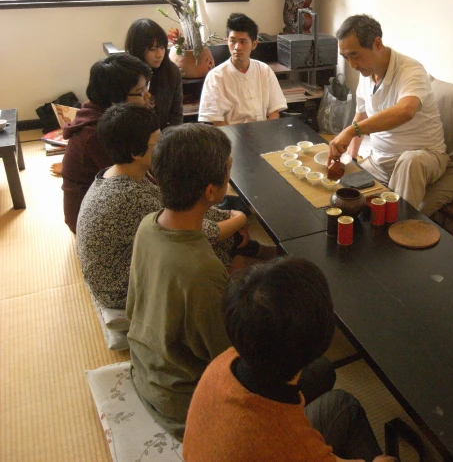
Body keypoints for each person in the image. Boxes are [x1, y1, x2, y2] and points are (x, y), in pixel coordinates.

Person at [127, 123, 334, 440]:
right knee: (321, 370)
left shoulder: (148, 225)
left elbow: (135, 305)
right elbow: (235, 358)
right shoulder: (201, 269)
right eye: (227, 173)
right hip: (185, 401)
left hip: (147, 369)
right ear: (211, 192)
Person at [183, 258, 395, 462]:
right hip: (268, 441)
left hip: (229, 440)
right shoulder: (294, 446)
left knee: (323, 370)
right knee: (345, 405)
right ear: (322, 339)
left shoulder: (226, 360)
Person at [76, 103, 263, 309]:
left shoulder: (126, 173)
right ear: (135, 153)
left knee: (227, 230)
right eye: (157, 142)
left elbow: (184, 208)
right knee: (212, 249)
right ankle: (238, 284)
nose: (163, 145)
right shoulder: (129, 196)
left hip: (126, 262)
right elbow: (197, 232)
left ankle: (251, 257)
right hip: (119, 287)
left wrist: (230, 216)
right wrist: (240, 219)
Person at [328, 14, 448, 210]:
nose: (352, 65)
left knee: (410, 162)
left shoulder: (411, 70)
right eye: (346, 58)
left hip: (424, 157)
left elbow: (406, 110)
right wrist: (351, 157)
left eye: (355, 55)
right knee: (342, 195)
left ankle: (399, 228)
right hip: (380, 160)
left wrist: (351, 131)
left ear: (377, 43)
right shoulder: (366, 74)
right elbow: (361, 114)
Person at [61, 53, 152, 233]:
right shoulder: (97, 135)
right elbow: (132, 181)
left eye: (146, 87)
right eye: (140, 92)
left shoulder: (106, 115)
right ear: (116, 99)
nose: (148, 95)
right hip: (91, 222)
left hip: (110, 200)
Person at [198, 13, 287, 126]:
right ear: (227, 41)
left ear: (254, 44)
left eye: (243, 42)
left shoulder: (264, 70)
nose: (237, 47)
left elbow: (274, 111)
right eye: (233, 41)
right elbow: (217, 121)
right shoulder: (215, 76)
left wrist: (267, 134)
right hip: (232, 137)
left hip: (264, 133)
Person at [125, 18, 184, 129]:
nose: (159, 54)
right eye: (152, 49)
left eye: (162, 47)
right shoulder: (125, 73)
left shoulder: (171, 71)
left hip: (163, 137)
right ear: (137, 49)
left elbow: (176, 115)